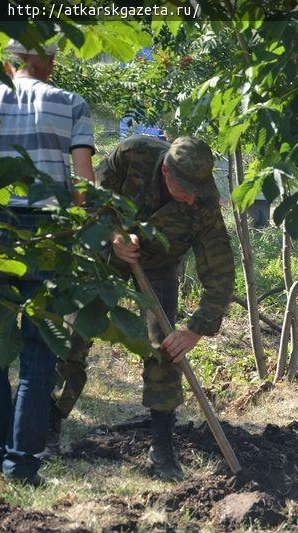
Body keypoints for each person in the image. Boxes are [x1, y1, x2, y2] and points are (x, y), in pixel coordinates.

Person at [47, 134, 235, 481]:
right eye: (185, 189)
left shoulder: (203, 202)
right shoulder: (134, 153)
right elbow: (93, 197)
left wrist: (196, 329)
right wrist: (114, 234)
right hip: (106, 253)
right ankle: (51, 423)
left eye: (198, 188)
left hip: (159, 266)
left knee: (165, 346)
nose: (192, 197)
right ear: (166, 172)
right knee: (74, 333)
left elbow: (220, 270)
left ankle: (162, 446)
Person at [0, 39, 96, 485]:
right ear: (49, 63)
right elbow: (83, 182)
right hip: (49, 235)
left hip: (0, 230)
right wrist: (84, 230)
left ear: (8, 62)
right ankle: (21, 466)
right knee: (39, 356)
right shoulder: (70, 103)